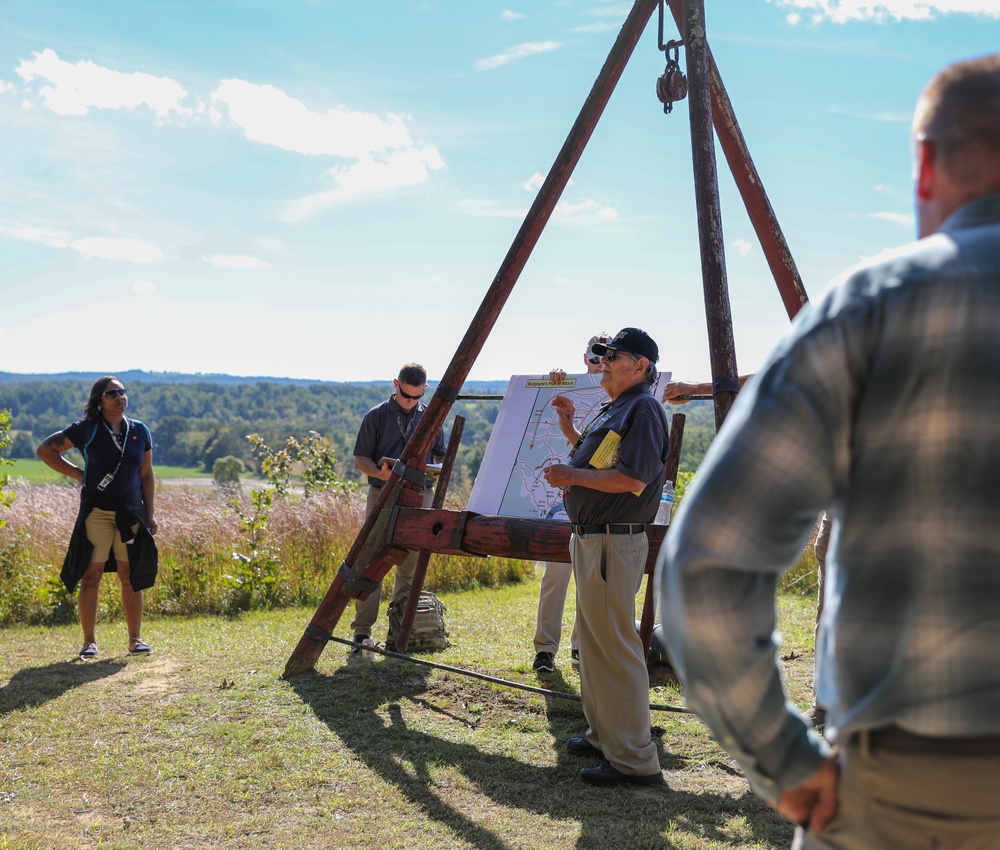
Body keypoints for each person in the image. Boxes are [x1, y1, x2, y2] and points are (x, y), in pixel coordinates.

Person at [658, 54, 1000, 847]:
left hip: (908, 798)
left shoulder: (871, 310)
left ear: (924, 164)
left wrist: (787, 759)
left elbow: (705, 570)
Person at [542, 327, 669, 787]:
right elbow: (600, 463)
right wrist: (570, 431)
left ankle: (634, 759)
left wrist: (567, 474)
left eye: (614, 355)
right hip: (596, 540)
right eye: (603, 354)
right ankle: (605, 737)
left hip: (613, 541)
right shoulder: (619, 408)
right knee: (596, 646)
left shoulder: (644, 409)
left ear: (641, 366)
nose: (604, 361)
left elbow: (632, 480)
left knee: (615, 646)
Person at [36, 376, 158, 659]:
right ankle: (89, 643)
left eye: (123, 392)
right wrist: (81, 475)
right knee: (92, 575)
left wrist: (150, 513)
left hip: (130, 513)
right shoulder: (87, 429)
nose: (120, 397)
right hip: (97, 511)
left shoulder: (140, 430)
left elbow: (147, 474)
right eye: (112, 393)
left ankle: (135, 640)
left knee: (130, 576)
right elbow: (45, 451)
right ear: (99, 401)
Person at [351, 362, 446, 656]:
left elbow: (441, 457)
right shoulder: (376, 416)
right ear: (395, 384)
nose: (410, 403)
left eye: (417, 397)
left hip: (421, 495)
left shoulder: (432, 417)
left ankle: (402, 630)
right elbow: (361, 460)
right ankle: (362, 633)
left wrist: (437, 471)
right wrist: (383, 474)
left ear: (425, 391)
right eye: (406, 396)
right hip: (382, 492)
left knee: (411, 561)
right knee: (371, 559)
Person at [532, 332, 612, 674]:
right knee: (556, 576)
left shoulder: (620, 401)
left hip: (597, 501)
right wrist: (554, 383)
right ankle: (545, 650)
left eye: (606, 358)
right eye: (594, 358)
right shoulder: (570, 387)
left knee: (591, 580)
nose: (599, 364)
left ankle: (581, 648)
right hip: (560, 502)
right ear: (585, 359)